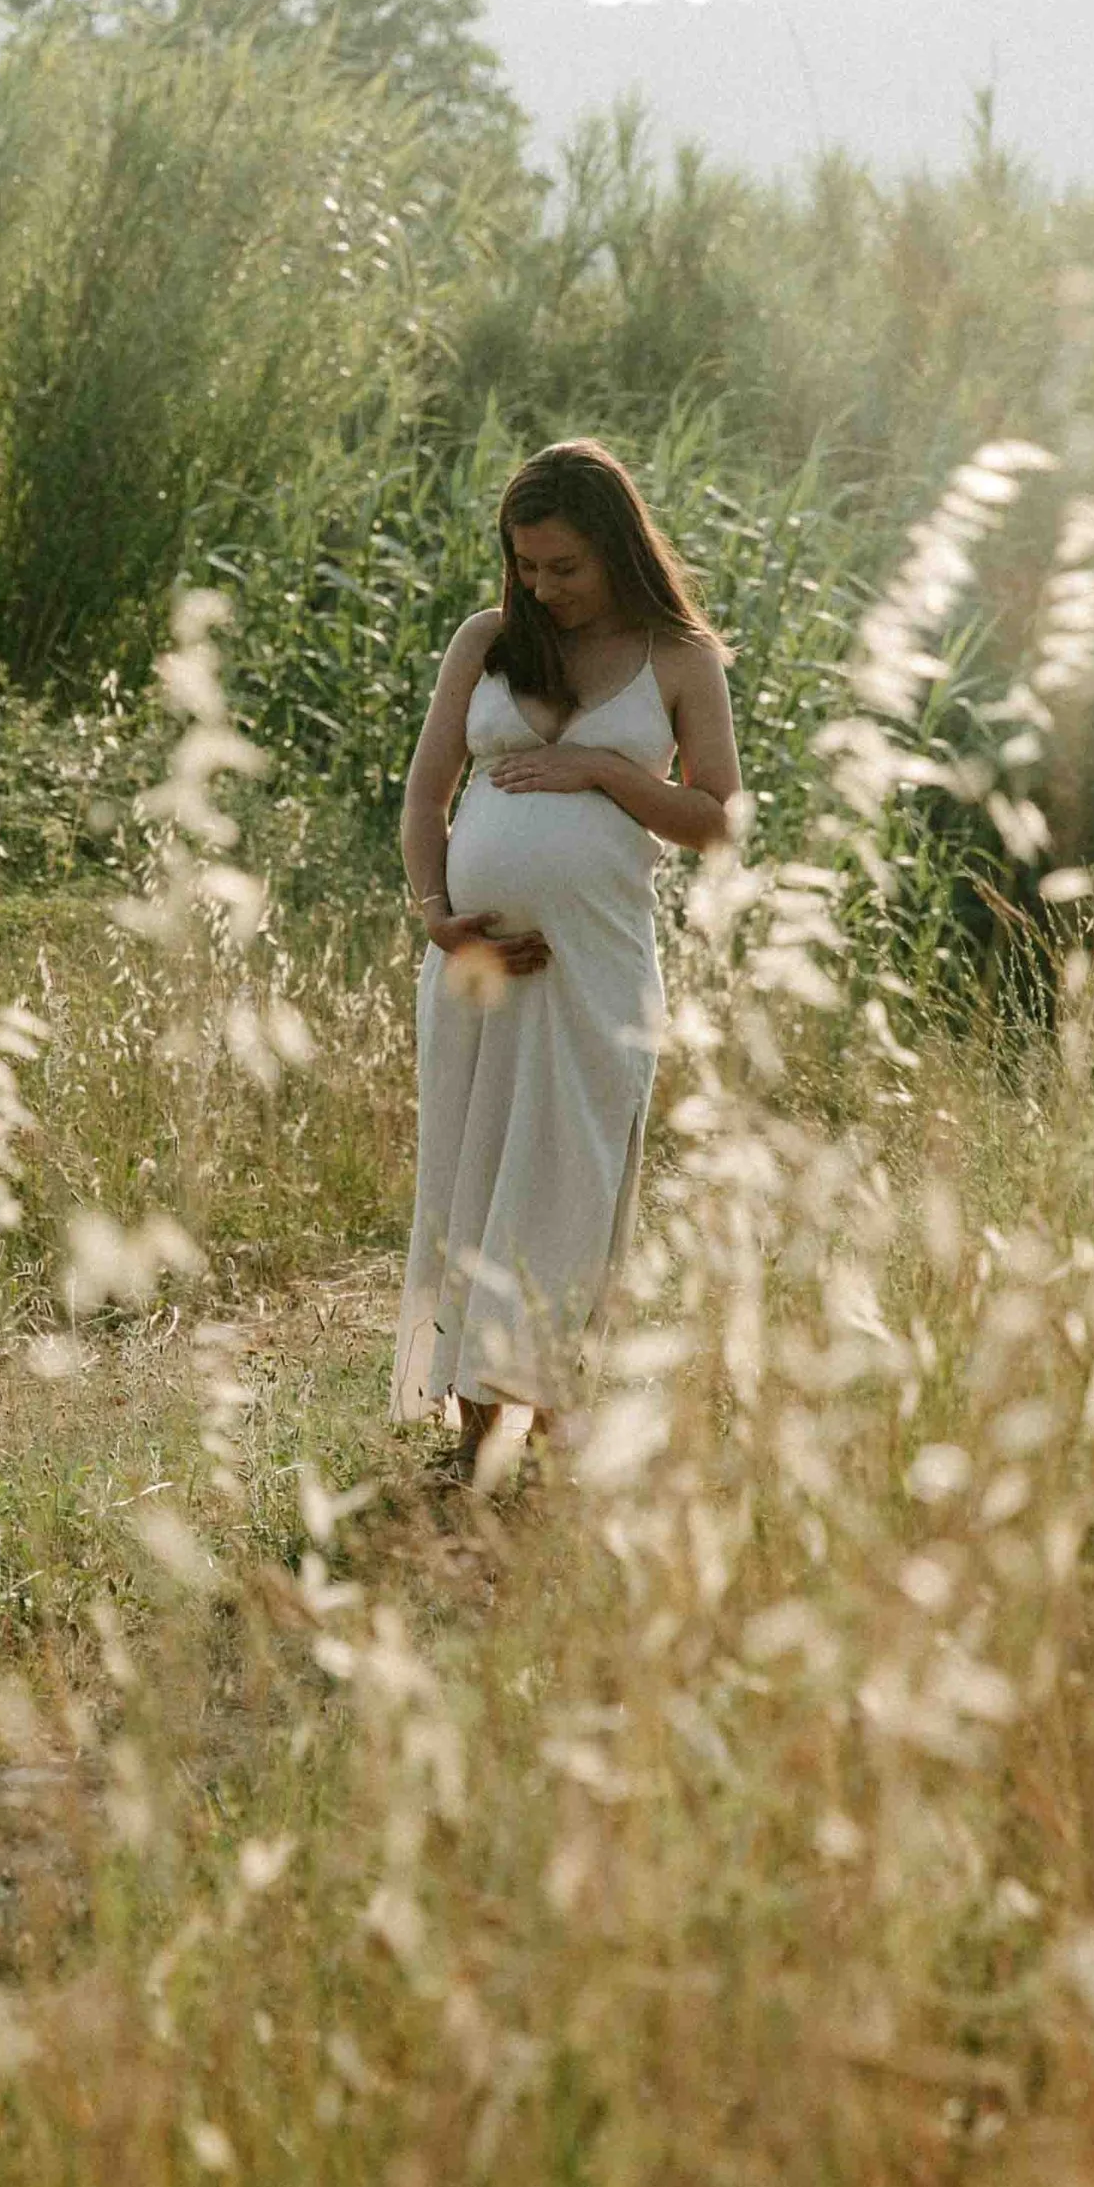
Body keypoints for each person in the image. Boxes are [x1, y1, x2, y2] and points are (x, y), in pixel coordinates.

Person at [392, 440, 741, 1482]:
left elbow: (717, 821)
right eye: (526, 565)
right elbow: (423, 797)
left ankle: (550, 1427)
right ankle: (468, 1432)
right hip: (475, 966)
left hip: (595, 970)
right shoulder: (489, 640)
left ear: (617, 552)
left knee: (566, 1182)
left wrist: (599, 768)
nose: (542, 587)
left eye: (566, 569)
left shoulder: (681, 658)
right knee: (469, 1171)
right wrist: (438, 918)